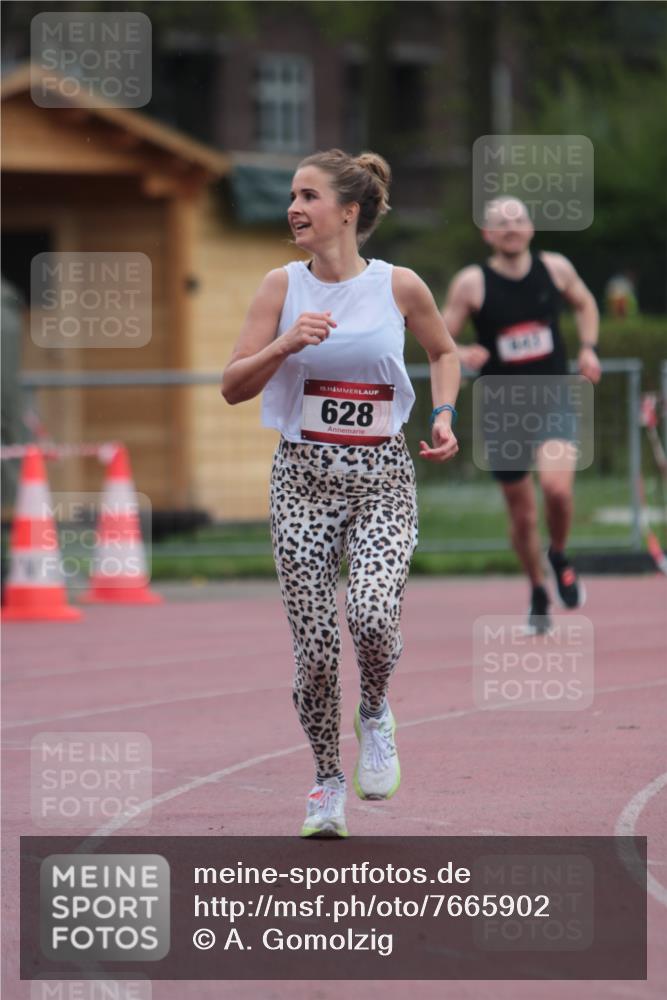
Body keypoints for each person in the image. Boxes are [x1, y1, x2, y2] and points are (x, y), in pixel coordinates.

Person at [222, 149, 460, 837]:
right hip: (301, 480)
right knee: (317, 652)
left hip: (382, 478)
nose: (293, 207)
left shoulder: (399, 285)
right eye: (291, 196)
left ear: (348, 211)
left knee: (372, 616)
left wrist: (442, 415)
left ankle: (377, 709)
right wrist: (284, 346)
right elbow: (233, 385)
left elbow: (443, 352)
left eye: (308, 195)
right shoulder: (280, 287)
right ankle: (326, 781)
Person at [442, 196, 601, 632]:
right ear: (487, 234)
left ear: (531, 228)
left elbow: (586, 304)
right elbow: (437, 335)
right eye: (500, 222)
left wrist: (589, 348)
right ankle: (536, 588)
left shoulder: (556, 268)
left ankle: (560, 554)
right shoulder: (472, 283)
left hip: (553, 396)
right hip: (503, 408)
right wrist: (460, 351)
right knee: (523, 513)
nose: (511, 227)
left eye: (518, 219)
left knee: (556, 489)